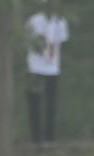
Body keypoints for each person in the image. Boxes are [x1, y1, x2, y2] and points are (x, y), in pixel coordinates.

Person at [25, 2, 69, 143]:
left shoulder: (60, 21)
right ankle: (36, 137)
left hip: (52, 67)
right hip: (35, 67)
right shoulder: (34, 20)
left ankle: (50, 136)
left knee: (51, 102)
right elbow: (27, 40)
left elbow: (61, 42)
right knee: (35, 101)